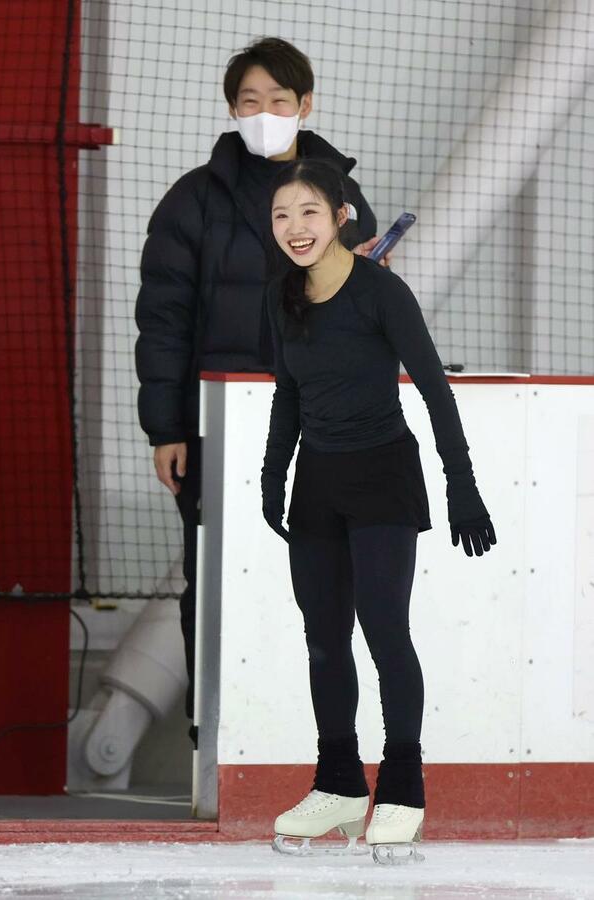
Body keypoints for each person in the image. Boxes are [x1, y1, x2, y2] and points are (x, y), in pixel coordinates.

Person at [135, 38, 388, 743]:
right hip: (216, 425)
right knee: (213, 576)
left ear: (305, 106)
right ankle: (213, 737)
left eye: (278, 100)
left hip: (323, 422)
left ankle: (311, 738)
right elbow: (162, 321)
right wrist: (167, 429)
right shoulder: (192, 200)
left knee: (324, 576)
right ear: (231, 110)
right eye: (250, 101)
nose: (264, 113)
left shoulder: (342, 201)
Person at [261, 158, 496, 864]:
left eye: (309, 211)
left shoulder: (380, 293)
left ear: (341, 218)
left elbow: (434, 389)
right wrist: (273, 474)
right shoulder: (282, 293)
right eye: (281, 215)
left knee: (384, 630)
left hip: (383, 476)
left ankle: (400, 789)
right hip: (318, 481)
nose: (294, 227)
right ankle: (338, 784)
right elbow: (289, 393)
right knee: (323, 638)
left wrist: (461, 484)